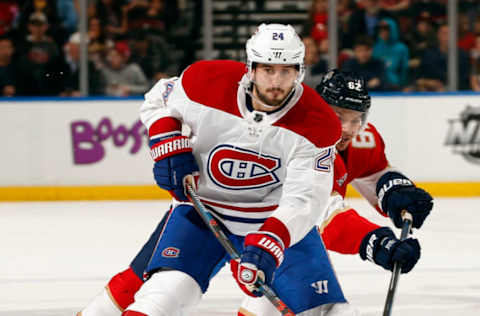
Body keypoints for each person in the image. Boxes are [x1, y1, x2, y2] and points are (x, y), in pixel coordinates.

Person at [78, 23, 360, 316]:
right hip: (203, 213)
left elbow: (305, 198)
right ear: (250, 68)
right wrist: (167, 140)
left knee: (329, 311)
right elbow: (159, 97)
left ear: (299, 72)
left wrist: (273, 237)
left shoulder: (318, 123)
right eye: (268, 70)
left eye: (286, 71)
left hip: (269, 220)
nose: (276, 81)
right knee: (163, 295)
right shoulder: (206, 82)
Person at [238, 70, 433, 315]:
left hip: (289, 239)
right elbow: (322, 217)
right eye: (338, 116)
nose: (348, 129)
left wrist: (395, 191)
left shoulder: (364, 138)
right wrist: (378, 242)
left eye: (356, 119)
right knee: (327, 309)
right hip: (260, 229)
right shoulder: (301, 141)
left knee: (282, 303)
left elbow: (374, 172)